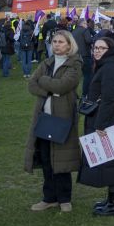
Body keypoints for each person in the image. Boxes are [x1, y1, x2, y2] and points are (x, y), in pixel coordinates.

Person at [24, 30, 83, 213]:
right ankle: (49, 198)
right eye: (54, 41)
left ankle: (65, 198)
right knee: (45, 159)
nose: (56, 45)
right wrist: (49, 90)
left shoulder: (75, 64)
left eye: (61, 42)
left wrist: (44, 81)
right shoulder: (47, 63)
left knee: (62, 160)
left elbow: (63, 85)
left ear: (69, 45)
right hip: (43, 118)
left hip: (62, 118)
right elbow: (31, 85)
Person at [77, 37, 114, 216]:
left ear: (110, 50)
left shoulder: (109, 67)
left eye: (102, 48)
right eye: (95, 48)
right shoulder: (109, 65)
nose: (97, 51)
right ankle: (112, 200)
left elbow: (109, 98)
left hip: (109, 121)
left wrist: (100, 124)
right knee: (111, 162)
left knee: (113, 161)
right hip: (111, 120)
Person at [72, 18, 94, 96]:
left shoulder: (73, 31)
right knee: (87, 75)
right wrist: (93, 39)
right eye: (85, 23)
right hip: (85, 56)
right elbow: (88, 40)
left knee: (75, 76)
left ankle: (72, 93)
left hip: (75, 56)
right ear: (82, 24)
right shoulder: (85, 30)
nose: (86, 25)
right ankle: (85, 93)